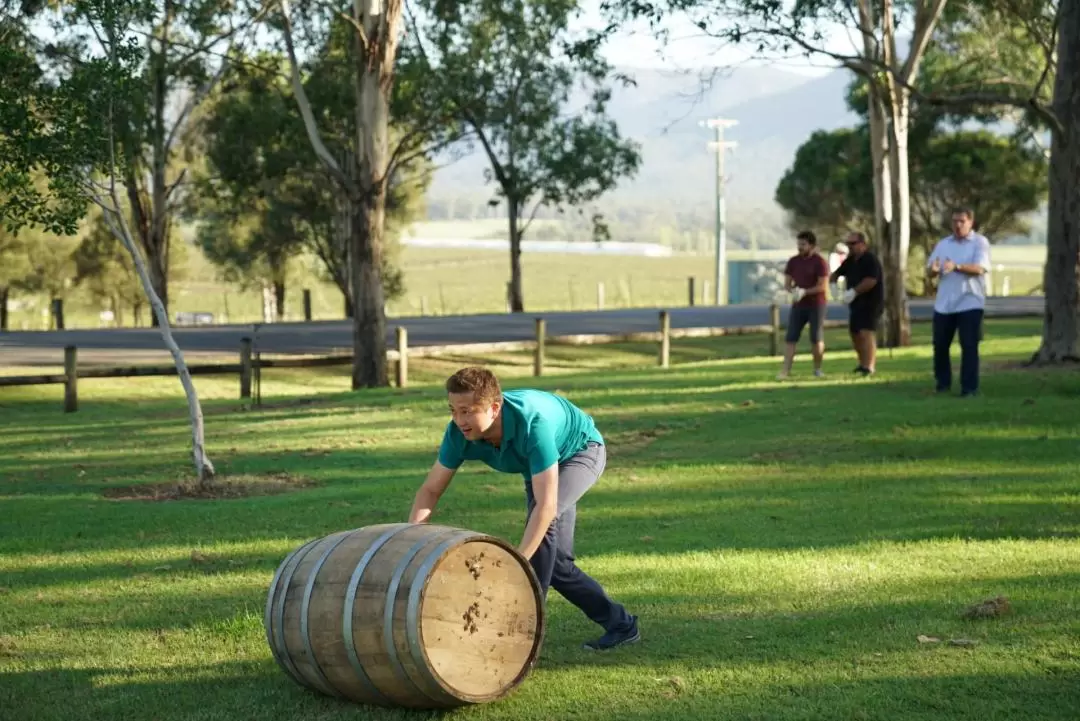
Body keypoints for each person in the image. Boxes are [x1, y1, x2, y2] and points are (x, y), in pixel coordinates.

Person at [408, 366, 640, 651]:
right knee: (557, 566)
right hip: (538, 466)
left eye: (467, 411)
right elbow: (431, 490)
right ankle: (621, 624)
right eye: (453, 410)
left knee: (544, 528)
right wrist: (412, 538)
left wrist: (516, 563)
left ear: (494, 408)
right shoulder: (458, 434)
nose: (459, 420)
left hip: (579, 451)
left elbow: (546, 506)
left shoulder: (532, 424)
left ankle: (523, 633)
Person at [926, 207, 991, 397]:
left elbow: (980, 268)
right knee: (940, 345)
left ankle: (969, 388)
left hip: (970, 301)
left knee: (969, 345)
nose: (957, 225)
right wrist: (934, 270)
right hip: (945, 304)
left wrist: (957, 267)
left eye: (962, 221)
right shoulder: (944, 244)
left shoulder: (979, 243)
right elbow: (930, 269)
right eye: (954, 221)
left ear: (971, 222)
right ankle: (942, 383)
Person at [777, 230, 830, 379]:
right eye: (798, 244)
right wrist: (793, 291)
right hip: (798, 305)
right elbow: (787, 283)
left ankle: (817, 369)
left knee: (816, 337)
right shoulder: (793, 261)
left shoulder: (820, 262)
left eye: (803, 244)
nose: (800, 247)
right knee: (791, 337)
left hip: (816, 305)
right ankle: (785, 371)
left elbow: (822, 286)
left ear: (811, 245)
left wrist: (805, 292)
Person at [830, 231, 884, 376]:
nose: (850, 247)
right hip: (855, 304)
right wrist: (834, 287)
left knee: (866, 332)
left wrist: (854, 291)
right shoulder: (851, 260)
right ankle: (862, 363)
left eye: (853, 244)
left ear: (862, 244)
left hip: (871, 302)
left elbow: (871, 280)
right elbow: (835, 274)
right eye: (848, 244)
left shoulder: (870, 260)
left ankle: (869, 366)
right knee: (855, 333)